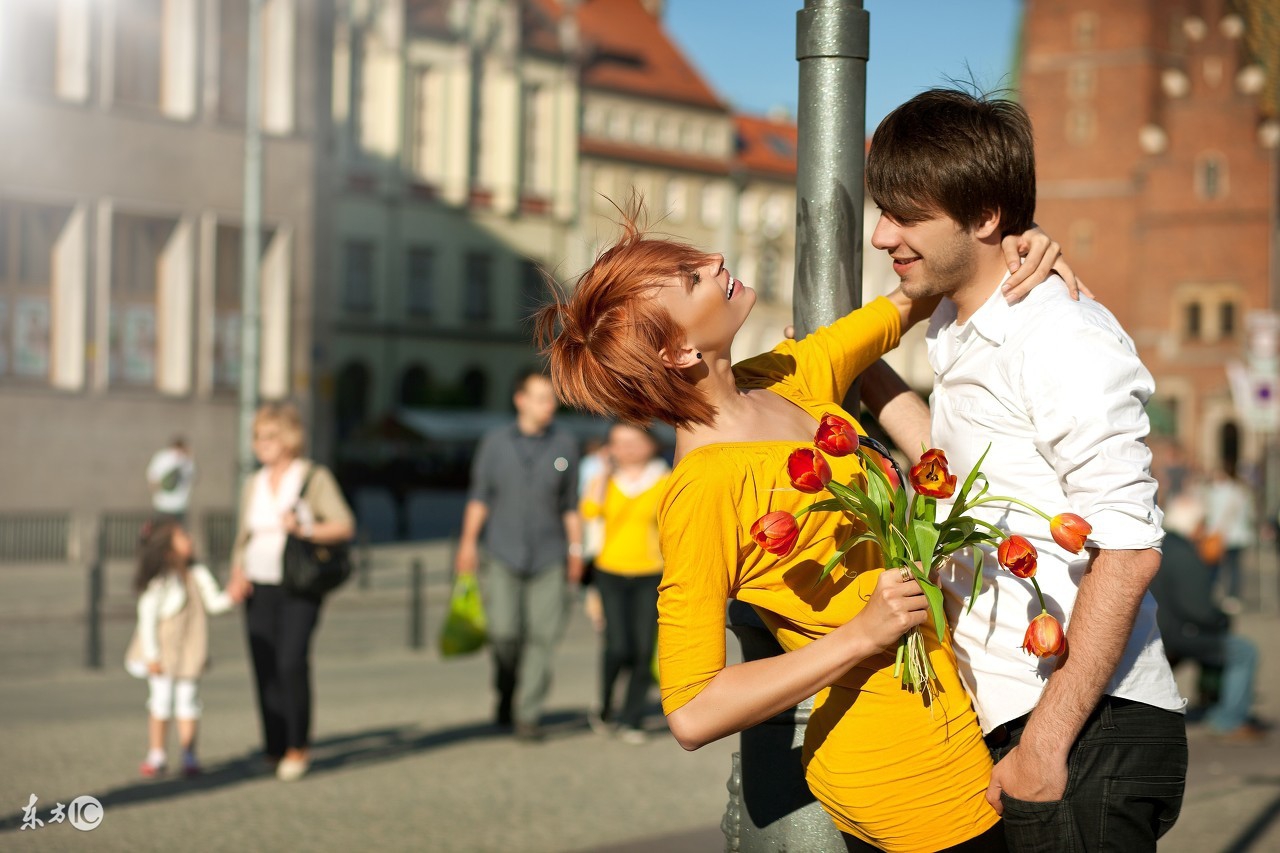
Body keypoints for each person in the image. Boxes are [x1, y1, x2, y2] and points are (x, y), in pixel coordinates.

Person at [535, 198, 1074, 851]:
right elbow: (692, 709)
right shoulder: (704, 487)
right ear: (676, 350)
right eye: (692, 276)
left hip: (970, 719)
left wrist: (1020, 243)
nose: (716, 259)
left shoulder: (782, 376)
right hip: (905, 775)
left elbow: (910, 298)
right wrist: (859, 634)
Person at [865, 88, 1186, 851]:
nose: (882, 235)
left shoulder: (1058, 334)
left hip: (1085, 727)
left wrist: (1046, 743)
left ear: (983, 219)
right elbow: (955, 466)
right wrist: (858, 374)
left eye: (906, 215)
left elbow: (1132, 546)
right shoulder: (956, 321)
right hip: (1017, 721)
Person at [227, 402, 355, 781]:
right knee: (264, 667)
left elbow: (344, 525)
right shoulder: (253, 483)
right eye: (257, 437)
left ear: (288, 438)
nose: (260, 444)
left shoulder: (312, 477)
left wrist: (305, 529)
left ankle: (298, 746)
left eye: (269, 436)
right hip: (257, 583)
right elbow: (243, 536)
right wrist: (236, 572)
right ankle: (274, 746)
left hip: (298, 584)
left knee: (290, 662)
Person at [454, 370, 583, 742]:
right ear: (520, 400)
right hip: (503, 552)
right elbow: (479, 497)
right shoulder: (494, 443)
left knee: (543, 636)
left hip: (550, 554)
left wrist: (575, 552)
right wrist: (467, 544)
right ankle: (506, 688)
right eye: (541, 398)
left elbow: (570, 505)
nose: (549, 406)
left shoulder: (565, 444)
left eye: (552, 399)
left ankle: (529, 715)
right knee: (504, 632)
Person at [125, 518, 238, 777]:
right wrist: (151, 655)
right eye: (184, 536)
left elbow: (214, 602)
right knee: (160, 702)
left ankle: (189, 754)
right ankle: (157, 754)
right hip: (163, 653)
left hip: (190, 650)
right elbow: (147, 620)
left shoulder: (198, 574)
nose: (191, 540)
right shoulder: (161, 581)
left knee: (189, 701)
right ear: (168, 549)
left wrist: (232, 596)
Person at [581, 422, 670, 744]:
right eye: (620, 442)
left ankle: (632, 718)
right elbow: (590, 510)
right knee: (618, 646)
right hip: (610, 571)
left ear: (652, 444)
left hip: (651, 572)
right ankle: (605, 705)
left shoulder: (665, 479)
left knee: (644, 647)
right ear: (610, 447)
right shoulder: (603, 479)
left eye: (635, 440)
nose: (628, 448)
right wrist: (603, 473)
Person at [1151, 491, 1264, 742]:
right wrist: (1222, 619)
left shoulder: (1159, 544)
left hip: (1159, 629)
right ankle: (1229, 719)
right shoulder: (1185, 554)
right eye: (1203, 524)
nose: (1204, 530)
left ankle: (1210, 701)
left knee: (1220, 644)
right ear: (1193, 524)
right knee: (1244, 651)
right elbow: (1199, 610)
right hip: (1177, 633)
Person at [1202, 463, 1256, 612]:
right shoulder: (1223, 491)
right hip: (1224, 535)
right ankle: (1220, 594)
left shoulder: (1230, 492)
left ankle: (1230, 595)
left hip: (1228, 535)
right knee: (1221, 567)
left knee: (1230, 568)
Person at [147, 436, 196, 522]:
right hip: (163, 506)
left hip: (180, 507)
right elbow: (153, 480)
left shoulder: (187, 461)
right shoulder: (162, 458)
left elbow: (192, 477)